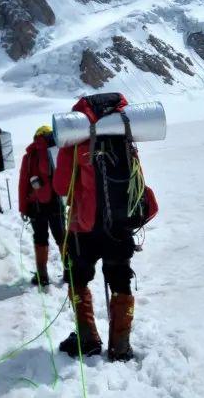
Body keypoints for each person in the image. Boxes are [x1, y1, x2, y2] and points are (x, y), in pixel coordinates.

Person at [53, 93, 158, 361]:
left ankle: (88, 340)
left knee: (79, 279)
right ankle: (120, 347)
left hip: (84, 229)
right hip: (120, 225)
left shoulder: (75, 139)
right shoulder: (124, 133)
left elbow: (61, 186)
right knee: (120, 279)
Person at [18, 125, 65, 287]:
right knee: (62, 237)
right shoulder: (58, 150)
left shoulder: (29, 156)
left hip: (36, 205)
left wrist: (23, 208)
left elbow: (23, 184)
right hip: (57, 202)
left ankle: (42, 275)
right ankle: (70, 272)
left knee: (40, 238)